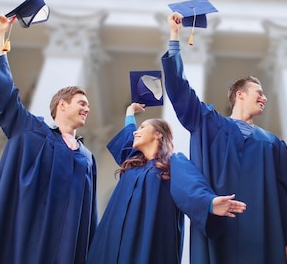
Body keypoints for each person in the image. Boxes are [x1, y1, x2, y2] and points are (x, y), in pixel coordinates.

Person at [162, 12, 287, 264]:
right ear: (240, 95)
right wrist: (174, 36)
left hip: (263, 236)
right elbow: (179, 89)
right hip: (220, 230)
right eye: (258, 92)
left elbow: (284, 195)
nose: (265, 98)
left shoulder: (273, 144)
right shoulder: (209, 123)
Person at [0, 14, 97, 264]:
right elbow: (5, 92)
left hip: (65, 251)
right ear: (62, 105)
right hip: (25, 241)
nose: (87, 109)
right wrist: (0, 34)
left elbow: (88, 216)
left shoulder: (87, 158)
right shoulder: (31, 131)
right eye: (82, 103)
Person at [86, 103, 246, 264]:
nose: (136, 131)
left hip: (147, 241)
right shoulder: (132, 165)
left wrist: (209, 203)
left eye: (142, 127)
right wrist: (129, 112)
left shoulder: (171, 164)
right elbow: (129, 137)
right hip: (111, 242)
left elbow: (190, 187)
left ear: (158, 134)